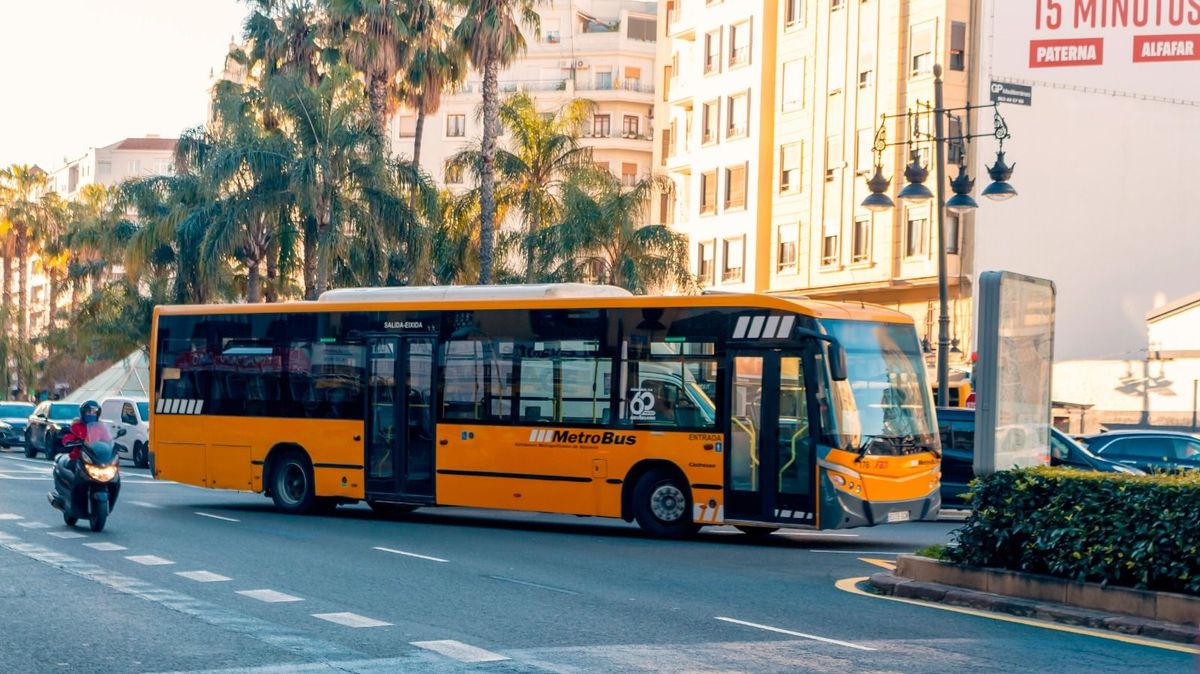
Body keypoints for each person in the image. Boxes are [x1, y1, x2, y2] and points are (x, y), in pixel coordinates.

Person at [61, 400, 111, 472]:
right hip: (79, 456)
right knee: (71, 466)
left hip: (97, 458)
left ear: (97, 414)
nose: (91, 414)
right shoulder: (76, 426)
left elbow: (107, 439)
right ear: (83, 413)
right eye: (88, 412)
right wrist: (69, 441)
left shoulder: (100, 427)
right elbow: (69, 436)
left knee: (111, 469)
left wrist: (111, 444)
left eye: (94, 412)